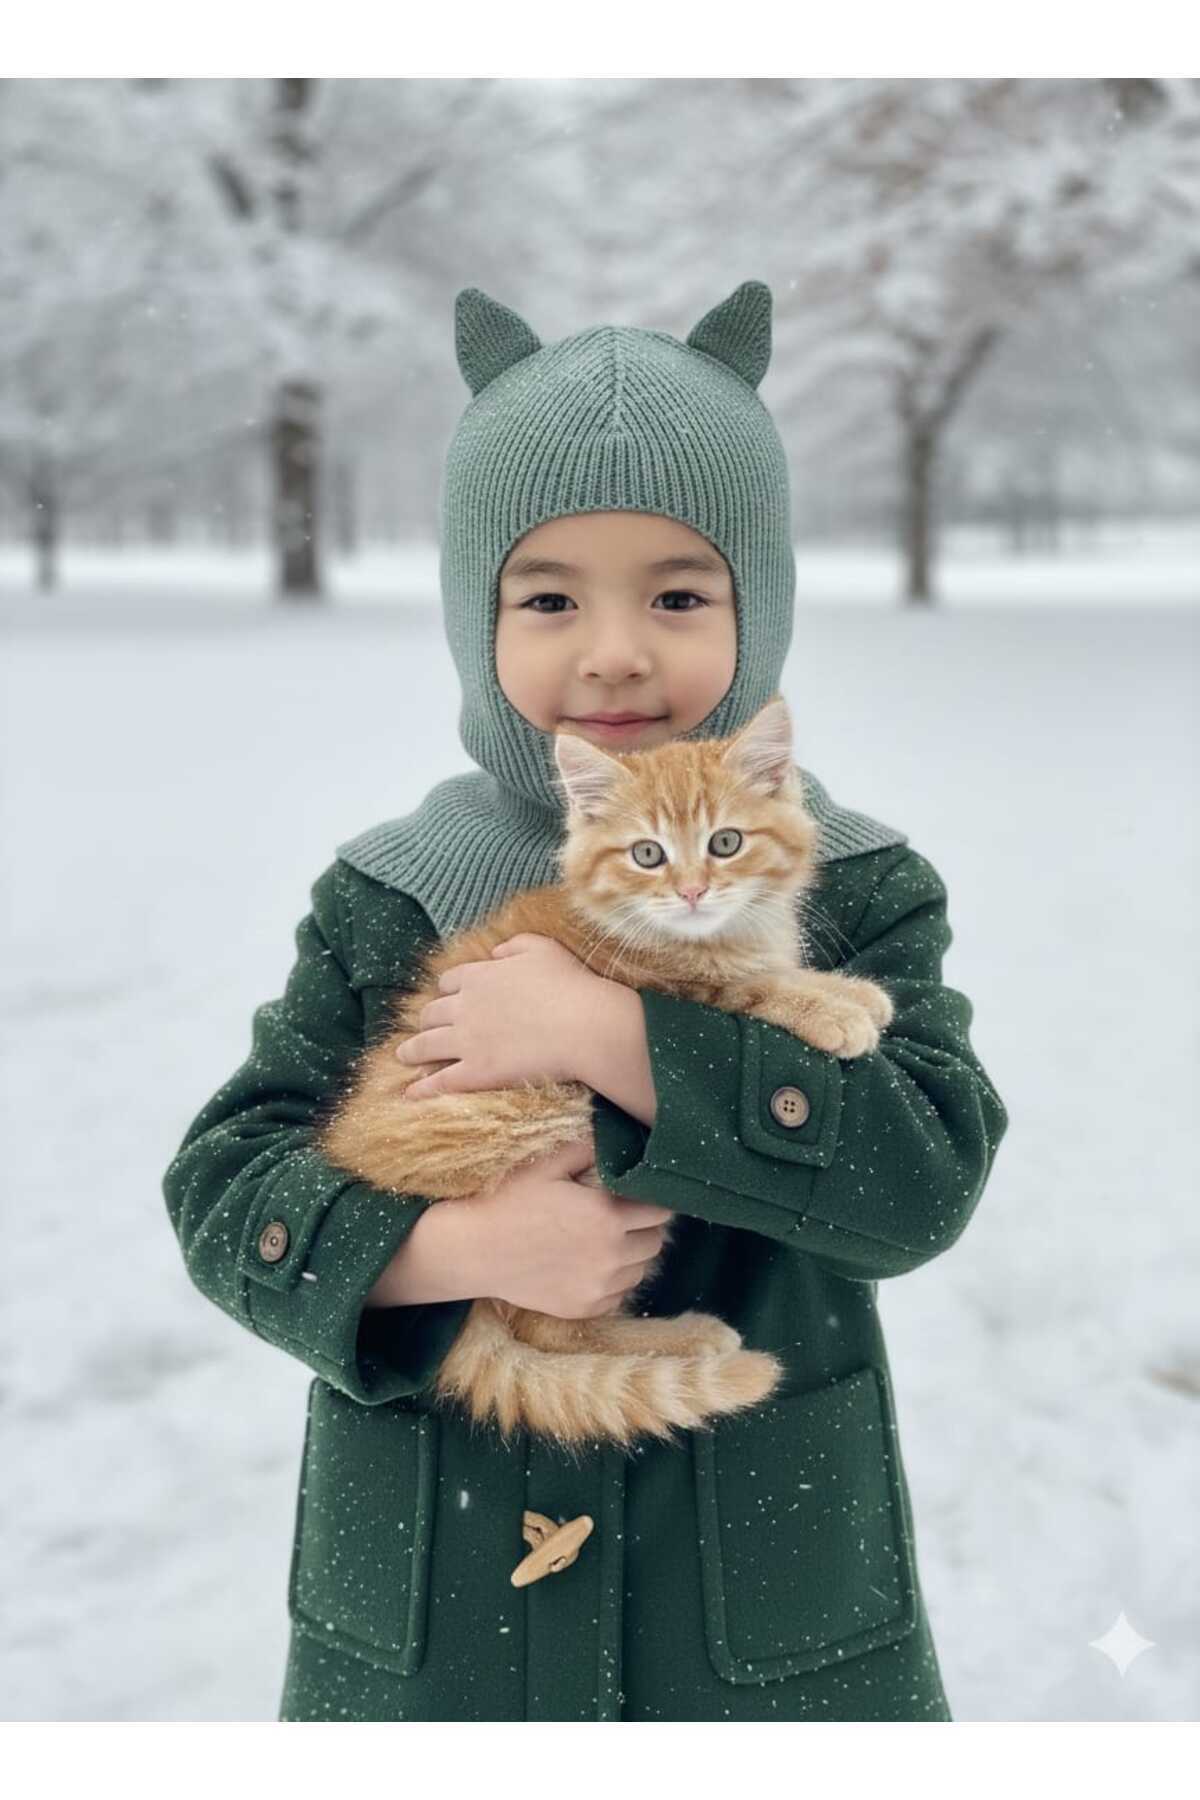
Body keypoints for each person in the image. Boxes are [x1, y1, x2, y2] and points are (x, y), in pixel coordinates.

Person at [162, 279, 1008, 1722]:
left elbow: (918, 1184)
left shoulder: (855, 888)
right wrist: (446, 1249)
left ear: (763, 609)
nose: (614, 652)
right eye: (549, 596)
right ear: (472, 618)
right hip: (441, 1619)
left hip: (755, 1615)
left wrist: (611, 1034)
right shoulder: (396, 891)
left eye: (678, 594)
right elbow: (228, 1192)